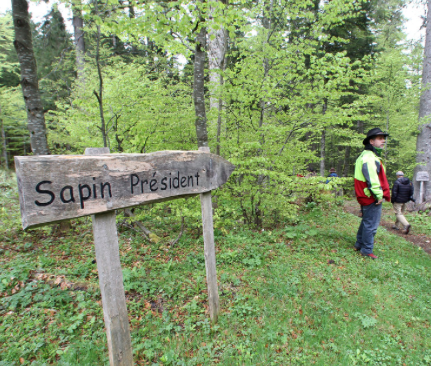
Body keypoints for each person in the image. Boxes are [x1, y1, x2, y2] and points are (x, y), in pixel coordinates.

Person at [354, 128, 391, 259]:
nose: (383, 141)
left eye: (384, 138)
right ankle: (366, 250)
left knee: (366, 221)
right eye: (380, 138)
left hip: (365, 195)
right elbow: (372, 178)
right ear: (371, 141)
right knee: (371, 224)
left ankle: (359, 244)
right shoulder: (369, 157)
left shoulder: (366, 156)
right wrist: (379, 195)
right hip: (370, 196)